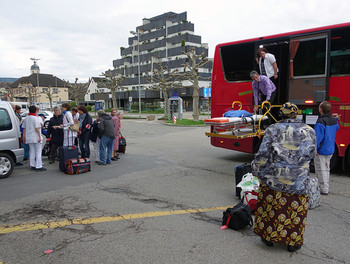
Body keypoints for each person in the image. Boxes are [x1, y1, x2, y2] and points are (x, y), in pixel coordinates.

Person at [251, 102, 316, 252]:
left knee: (271, 209)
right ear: (296, 114)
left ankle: (268, 237)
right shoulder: (310, 131)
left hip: (274, 179)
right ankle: (293, 242)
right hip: (299, 182)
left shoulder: (272, 129)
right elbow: (311, 154)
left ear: (281, 114)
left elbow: (263, 155)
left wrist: (256, 170)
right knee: (295, 212)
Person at [314, 101, 339, 195]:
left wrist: (315, 148)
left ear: (321, 109)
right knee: (326, 168)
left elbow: (318, 137)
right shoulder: (333, 120)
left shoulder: (321, 121)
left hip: (322, 149)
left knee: (321, 169)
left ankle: (323, 188)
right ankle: (325, 186)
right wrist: (336, 119)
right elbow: (337, 127)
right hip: (330, 148)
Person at [22, 105, 47, 171]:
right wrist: (39, 136)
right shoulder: (36, 118)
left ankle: (32, 165)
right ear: (36, 111)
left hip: (29, 137)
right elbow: (37, 128)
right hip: (35, 137)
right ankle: (38, 166)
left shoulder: (26, 118)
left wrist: (23, 136)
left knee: (31, 151)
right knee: (38, 151)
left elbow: (24, 128)